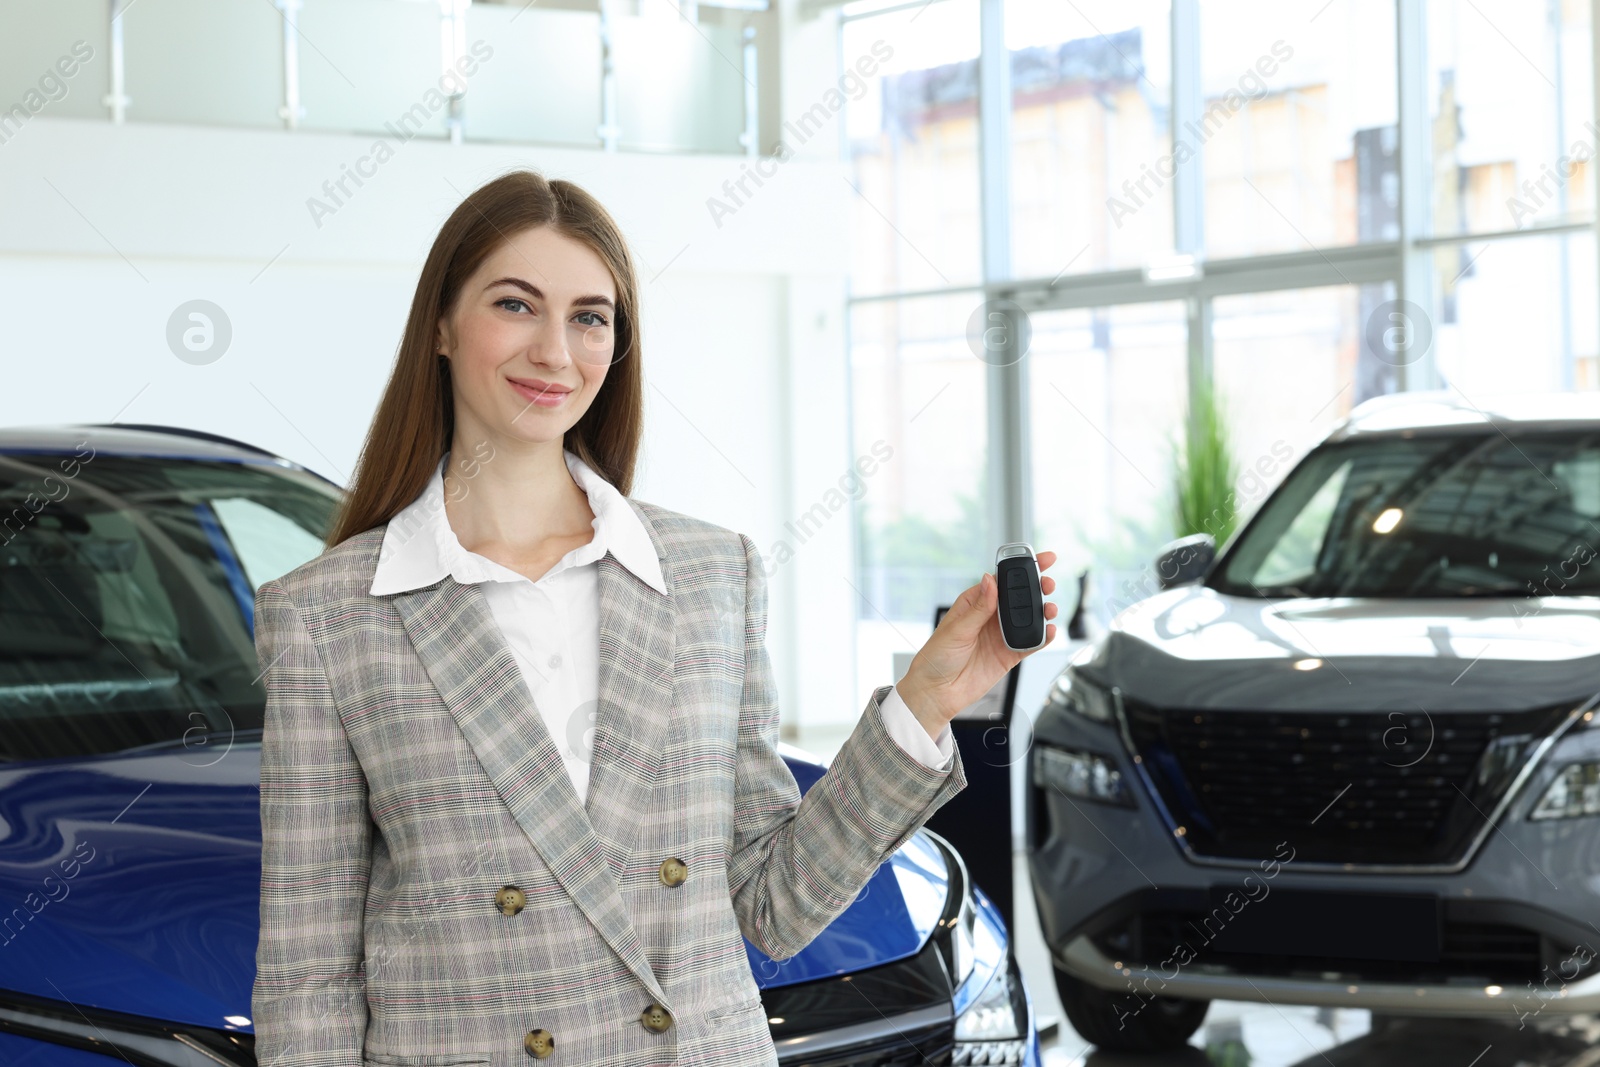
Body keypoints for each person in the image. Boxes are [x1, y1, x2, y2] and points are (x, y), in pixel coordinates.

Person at [251, 168, 1058, 1066]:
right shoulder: (324, 618)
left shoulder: (715, 574)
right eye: (516, 305)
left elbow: (773, 907)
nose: (556, 351)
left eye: (590, 317)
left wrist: (923, 704)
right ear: (440, 325)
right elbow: (308, 976)